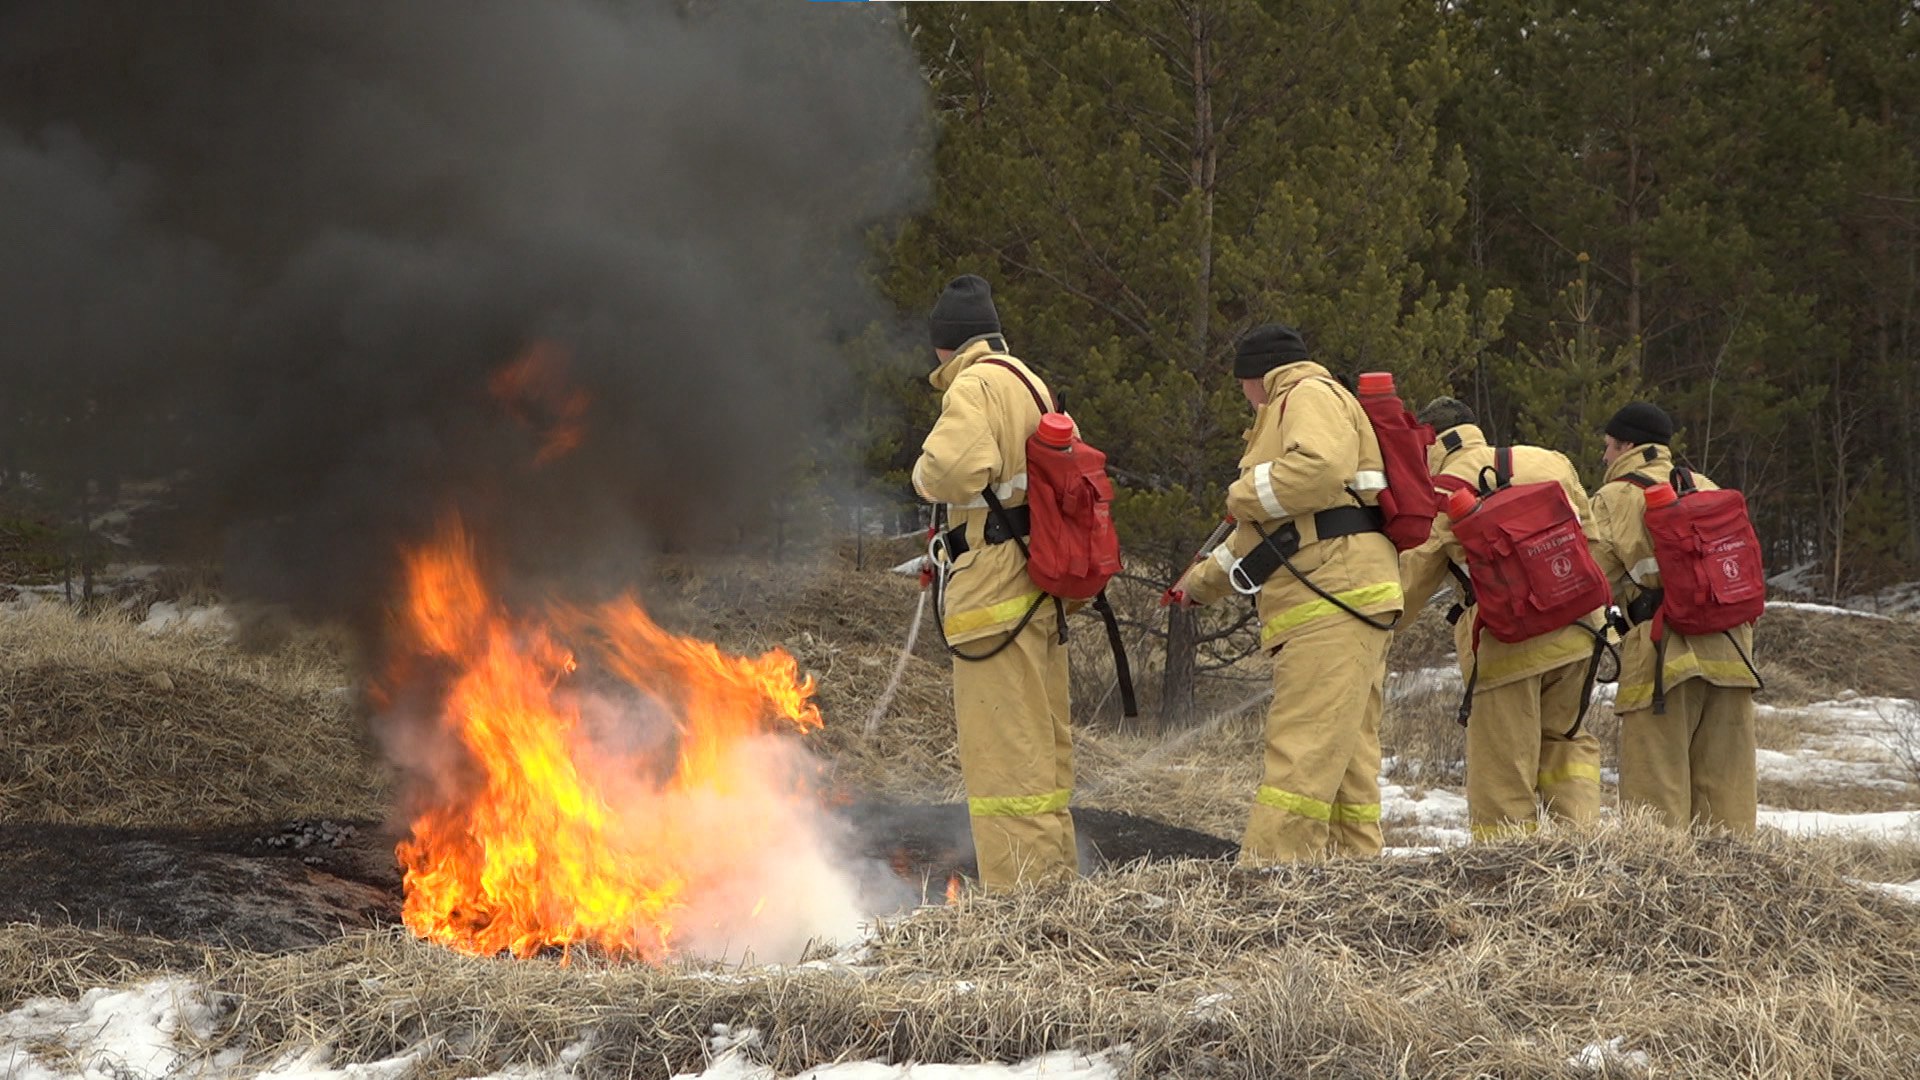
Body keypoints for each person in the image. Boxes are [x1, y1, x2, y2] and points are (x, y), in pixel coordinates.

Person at [1170, 323, 1402, 863]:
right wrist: (1198, 585)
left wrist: (1242, 491)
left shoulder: (1305, 394)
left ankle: (1270, 891)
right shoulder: (1298, 406)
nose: (1245, 401)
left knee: (1300, 756)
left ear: (1257, 377)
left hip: (1331, 601)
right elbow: (1264, 538)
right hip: (1345, 594)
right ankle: (1353, 880)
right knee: (1345, 764)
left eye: (1242, 389)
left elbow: (1317, 469)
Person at [912, 274, 1076, 889]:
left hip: (993, 601)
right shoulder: (1031, 382)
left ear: (943, 346)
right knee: (1042, 750)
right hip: (1040, 589)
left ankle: (1018, 904)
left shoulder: (974, 385)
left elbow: (953, 467)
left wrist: (922, 479)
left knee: (1005, 762)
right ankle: (1054, 891)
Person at [1399, 398, 1605, 840]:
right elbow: (1593, 540)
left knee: (1503, 767)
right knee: (1567, 743)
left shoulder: (1439, 491)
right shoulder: (1551, 461)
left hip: (1505, 642)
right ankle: (1585, 851)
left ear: (1430, 439)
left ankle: (1505, 873)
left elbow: (1412, 581)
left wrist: (1373, 623)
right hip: (1579, 629)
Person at [1588, 401, 1760, 833]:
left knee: (1656, 791)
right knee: (1725, 791)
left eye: (1608, 447)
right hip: (1733, 651)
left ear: (1627, 444)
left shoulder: (1614, 497)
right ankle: (1733, 886)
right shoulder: (1705, 484)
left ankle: (1660, 889)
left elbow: (1593, 580)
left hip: (1665, 656)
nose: (1605, 457)